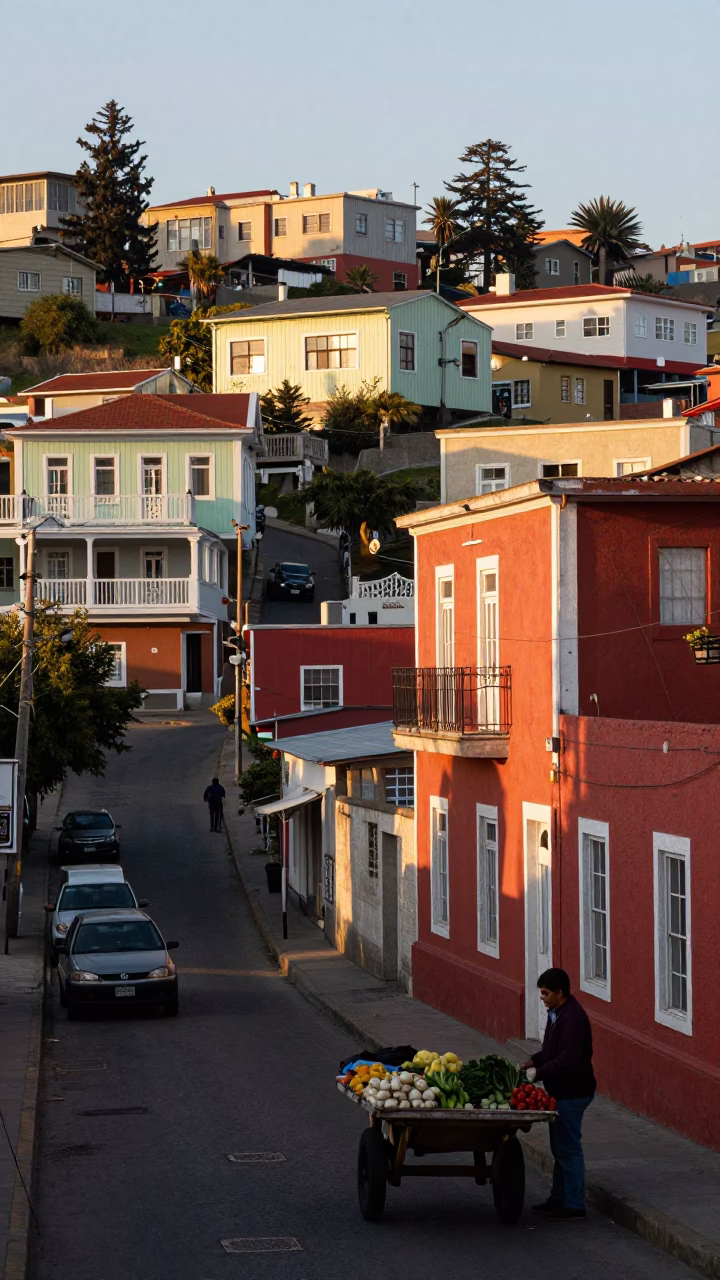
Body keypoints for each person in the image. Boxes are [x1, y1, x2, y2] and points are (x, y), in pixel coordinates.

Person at [524, 967, 596, 1221]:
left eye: (545, 993)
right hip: (563, 1091)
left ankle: (575, 1203)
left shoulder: (573, 1018)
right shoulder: (557, 1014)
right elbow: (551, 1049)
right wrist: (531, 1061)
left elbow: (568, 1059)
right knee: (560, 1147)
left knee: (568, 1149)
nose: (542, 997)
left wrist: (539, 1073)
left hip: (573, 1092)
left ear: (560, 993)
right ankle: (558, 1198)